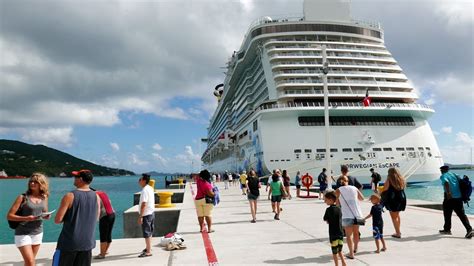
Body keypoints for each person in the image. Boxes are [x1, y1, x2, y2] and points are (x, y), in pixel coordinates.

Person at [54, 169, 100, 266]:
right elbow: (96, 217)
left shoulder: (70, 196)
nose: (74, 179)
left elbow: (57, 220)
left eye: (76, 177)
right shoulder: (96, 196)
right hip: (87, 243)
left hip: (69, 243)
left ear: (81, 179)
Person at [7, 173, 50, 266]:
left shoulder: (44, 197)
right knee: (30, 262)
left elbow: (45, 211)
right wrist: (26, 218)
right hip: (23, 233)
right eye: (31, 181)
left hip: (38, 232)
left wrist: (46, 216)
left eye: (36, 182)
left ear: (41, 184)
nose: (32, 183)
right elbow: (9, 216)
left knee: (30, 262)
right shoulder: (22, 197)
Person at [438, 165, 472, 238]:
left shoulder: (443, 175)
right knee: (461, 214)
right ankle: (469, 229)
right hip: (459, 197)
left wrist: (448, 193)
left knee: (447, 213)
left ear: (442, 170)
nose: (440, 172)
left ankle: (447, 230)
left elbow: (446, 183)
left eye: (441, 170)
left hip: (450, 197)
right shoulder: (455, 174)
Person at [335, 176, 364, 260]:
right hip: (357, 214)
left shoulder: (338, 190)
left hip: (347, 215)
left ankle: (351, 253)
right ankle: (355, 249)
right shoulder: (354, 188)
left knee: (348, 235)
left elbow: (337, 203)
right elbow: (361, 198)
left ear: (340, 182)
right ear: (348, 181)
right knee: (356, 233)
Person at [381, 167, 406, 238]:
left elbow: (384, 189)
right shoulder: (401, 179)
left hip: (393, 199)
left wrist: (380, 193)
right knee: (397, 215)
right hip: (401, 198)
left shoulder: (389, 180)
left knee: (393, 217)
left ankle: (398, 233)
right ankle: (398, 231)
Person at [323, 191, 346, 266]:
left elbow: (325, 219)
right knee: (340, 250)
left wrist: (328, 221)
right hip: (340, 233)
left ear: (330, 200)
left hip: (333, 234)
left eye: (326, 200)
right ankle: (343, 263)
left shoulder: (328, 210)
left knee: (334, 252)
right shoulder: (339, 209)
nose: (325, 201)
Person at [91, 188, 115, 259]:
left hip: (105, 216)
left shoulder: (95, 195)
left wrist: (96, 218)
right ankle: (105, 251)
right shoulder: (102, 193)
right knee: (108, 234)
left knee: (103, 235)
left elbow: (97, 207)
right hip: (112, 214)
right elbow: (109, 201)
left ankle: (102, 254)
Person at [137, 173, 155, 258]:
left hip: (146, 214)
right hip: (151, 213)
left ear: (144, 180)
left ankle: (148, 251)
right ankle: (149, 248)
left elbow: (144, 204)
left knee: (146, 233)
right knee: (150, 231)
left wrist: (140, 216)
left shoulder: (144, 190)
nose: (139, 181)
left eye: (140, 179)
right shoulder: (150, 188)